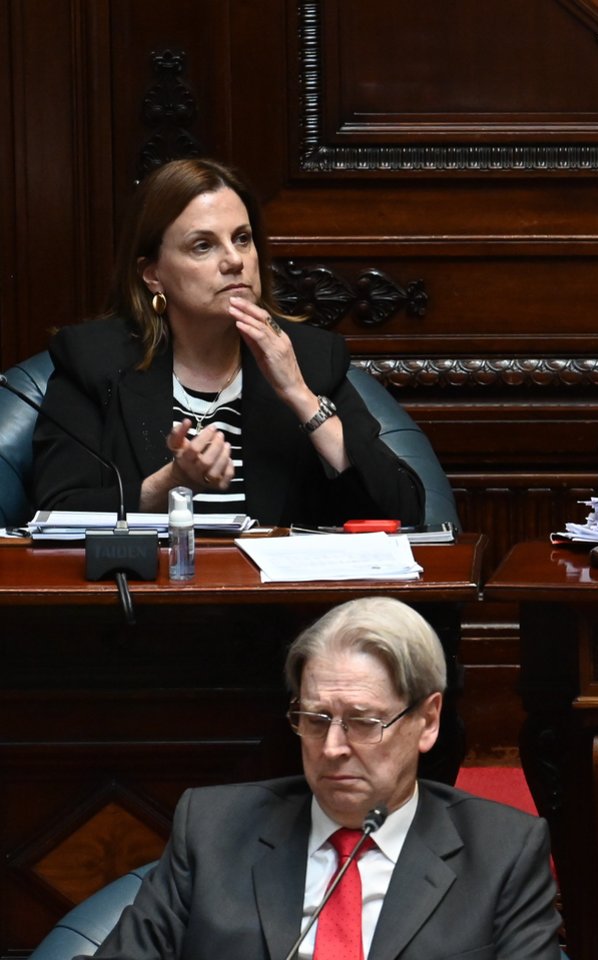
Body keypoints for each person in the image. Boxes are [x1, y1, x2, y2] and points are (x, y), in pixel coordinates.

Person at [88, 596, 562, 959]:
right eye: (315, 720)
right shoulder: (213, 828)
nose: (333, 747)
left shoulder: (503, 853)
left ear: (428, 721)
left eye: (363, 722)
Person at [33, 157, 424, 526]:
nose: (235, 260)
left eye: (242, 239)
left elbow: (404, 512)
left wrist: (300, 396)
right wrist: (171, 483)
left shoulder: (311, 357)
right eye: (203, 245)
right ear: (153, 275)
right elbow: (56, 511)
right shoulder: (94, 360)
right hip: (150, 577)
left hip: (275, 578)